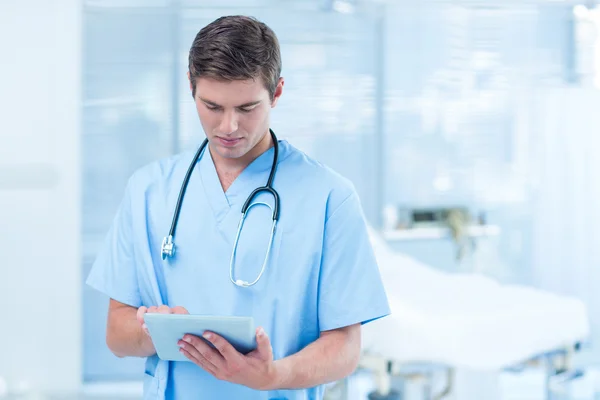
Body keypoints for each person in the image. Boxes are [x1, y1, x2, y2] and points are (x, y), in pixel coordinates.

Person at [86, 15, 390, 400]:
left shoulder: (329, 197)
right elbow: (117, 334)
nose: (228, 126)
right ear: (190, 86)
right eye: (211, 106)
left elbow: (345, 348)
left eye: (247, 108)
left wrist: (272, 375)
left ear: (277, 93)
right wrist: (151, 329)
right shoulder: (148, 191)